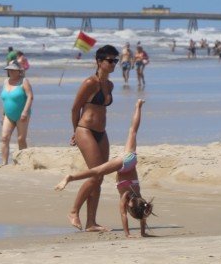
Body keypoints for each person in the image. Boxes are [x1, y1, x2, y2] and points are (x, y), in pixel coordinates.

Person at [56, 99, 154, 238]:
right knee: (97, 171)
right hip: (124, 164)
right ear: (131, 206)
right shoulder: (126, 198)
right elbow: (123, 216)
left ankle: (138, 105)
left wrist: (142, 232)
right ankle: (71, 177)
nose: (128, 212)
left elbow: (142, 216)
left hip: (131, 161)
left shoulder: (141, 202)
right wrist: (127, 234)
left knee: (133, 131)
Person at [67, 44, 119, 232]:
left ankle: (91, 223)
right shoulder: (90, 83)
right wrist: (75, 131)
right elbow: (75, 108)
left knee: (100, 177)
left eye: (116, 60)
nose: (114, 64)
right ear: (99, 61)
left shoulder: (110, 85)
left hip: (101, 133)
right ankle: (73, 211)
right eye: (110, 60)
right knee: (95, 174)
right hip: (85, 130)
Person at [0, 60, 33, 166]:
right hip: (8, 115)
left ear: (19, 71)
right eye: (9, 70)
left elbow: (30, 96)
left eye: (13, 70)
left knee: (21, 139)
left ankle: (23, 162)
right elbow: (5, 100)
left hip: (22, 115)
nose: (11, 72)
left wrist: (25, 112)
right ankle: (4, 163)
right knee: (4, 138)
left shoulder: (24, 81)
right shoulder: (6, 82)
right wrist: (3, 114)